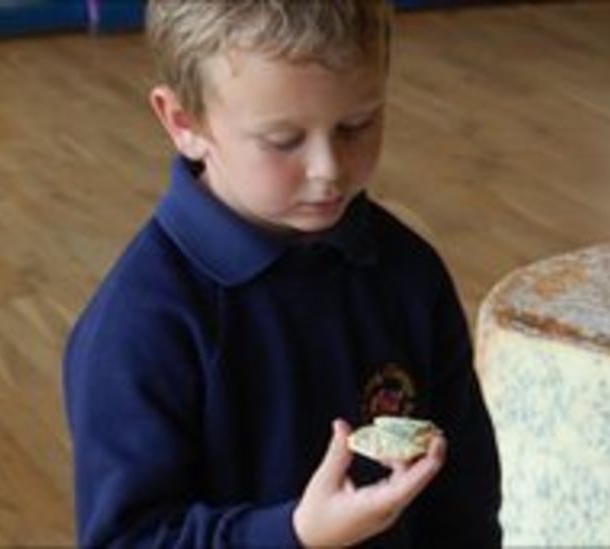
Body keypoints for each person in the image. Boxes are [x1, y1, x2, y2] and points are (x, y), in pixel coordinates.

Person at [62, 1, 501, 546]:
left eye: (356, 125)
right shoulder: (138, 326)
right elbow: (127, 539)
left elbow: (464, 494)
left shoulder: (409, 273)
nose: (329, 170)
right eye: (283, 140)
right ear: (183, 123)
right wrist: (293, 534)